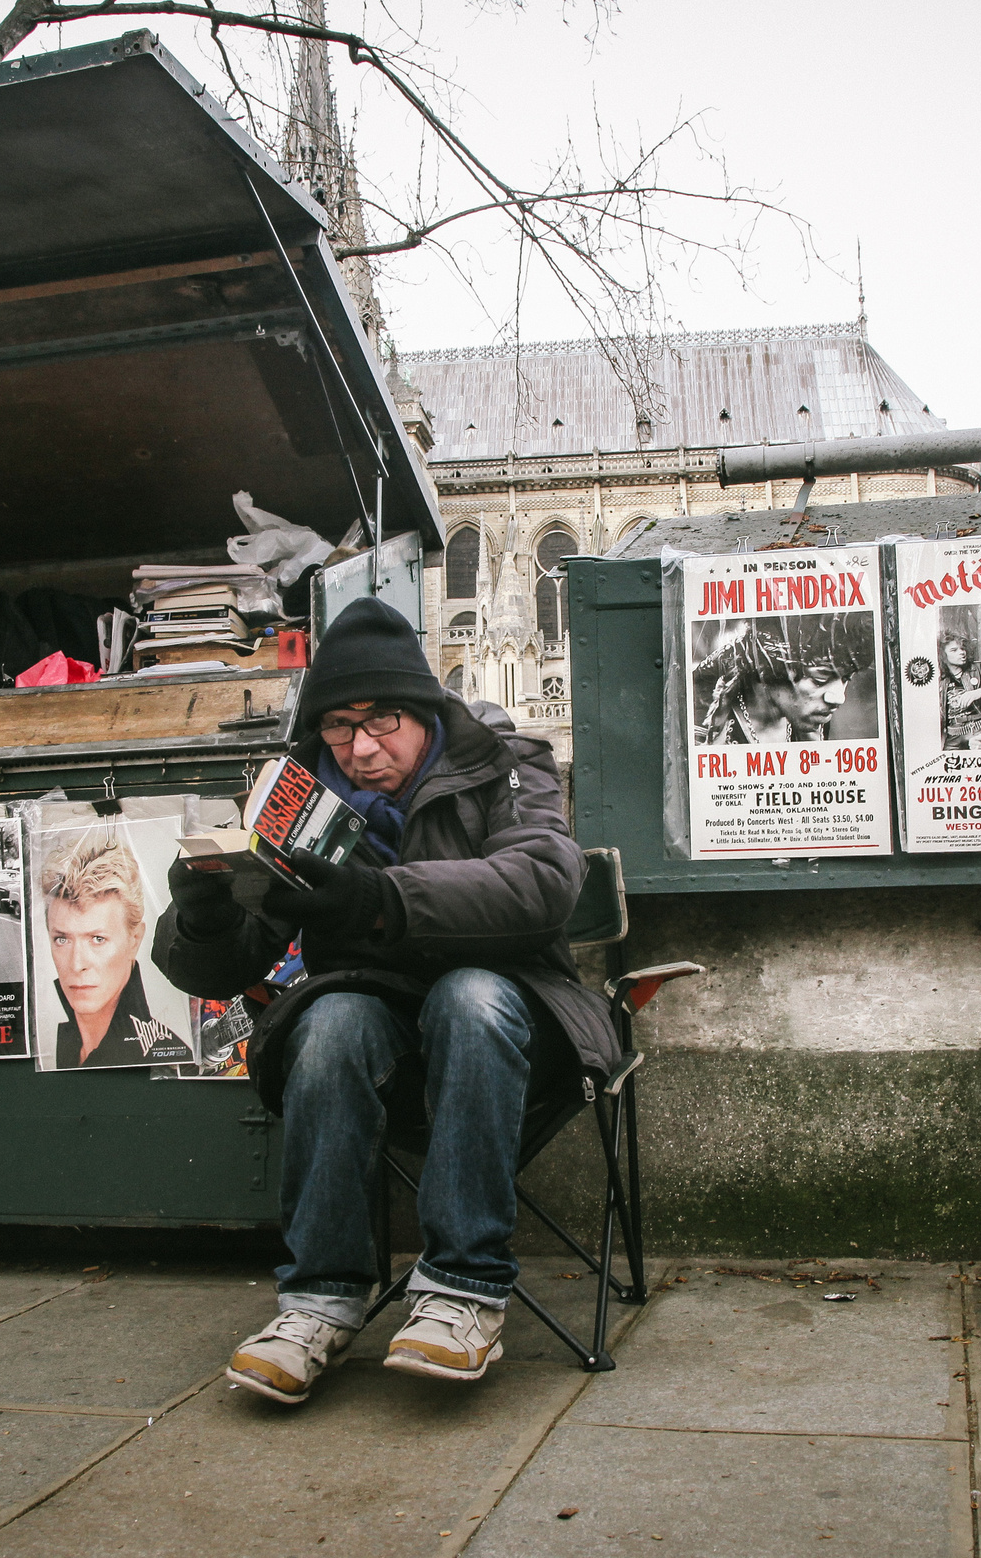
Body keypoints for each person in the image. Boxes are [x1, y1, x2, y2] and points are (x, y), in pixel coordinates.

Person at [155, 598, 611, 1405]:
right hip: (374, 1016)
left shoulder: (503, 758)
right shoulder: (295, 796)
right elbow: (229, 967)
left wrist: (376, 898)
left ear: (425, 709)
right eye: (338, 728)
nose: (361, 749)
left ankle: (463, 1291)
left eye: (383, 721)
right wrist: (204, 917)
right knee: (328, 1022)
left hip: (519, 1015)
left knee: (468, 998)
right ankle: (318, 1303)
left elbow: (543, 882)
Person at [43, 827, 190, 1069]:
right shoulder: (63, 1044)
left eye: (97, 939)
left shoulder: (168, 1060)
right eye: (62, 939)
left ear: (135, 939)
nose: (77, 964)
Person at [693, 612, 874, 744]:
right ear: (769, 667)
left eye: (846, 678)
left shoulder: (812, 717)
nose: (838, 697)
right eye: (819, 679)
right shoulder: (701, 712)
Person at [939, 634, 981, 749]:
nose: (962, 652)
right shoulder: (940, 679)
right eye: (954, 650)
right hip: (952, 734)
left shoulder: (979, 668)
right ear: (943, 655)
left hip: (979, 729)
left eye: (962, 649)